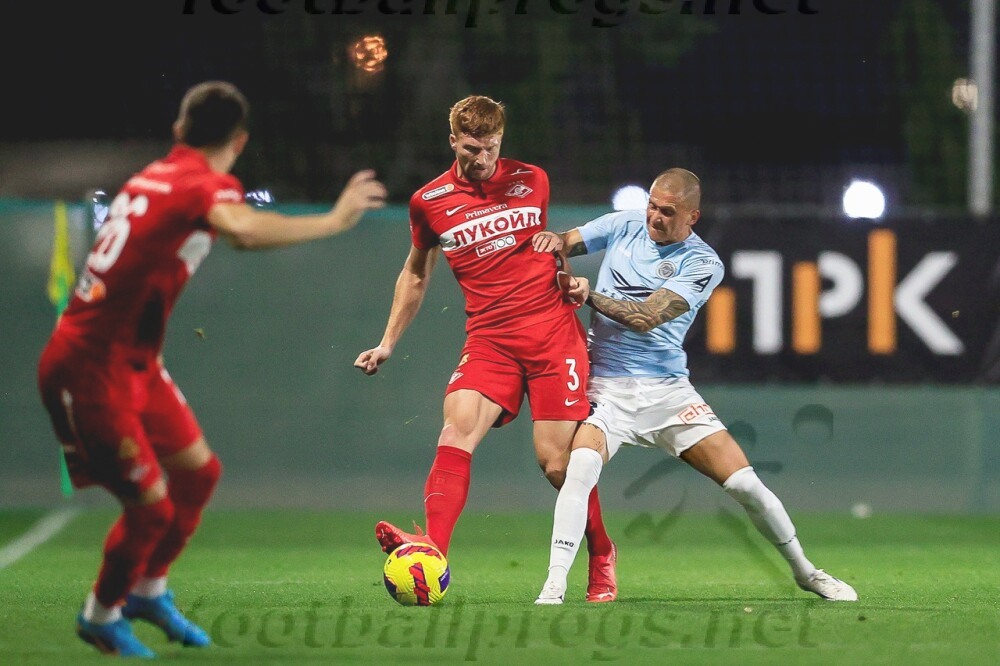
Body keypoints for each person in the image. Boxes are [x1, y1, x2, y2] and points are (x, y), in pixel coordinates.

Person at [37, 81, 387, 657]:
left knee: (199, 475)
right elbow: (242, 230)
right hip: (90, 367)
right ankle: (100, 616)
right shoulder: (201, 183)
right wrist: (332, 220)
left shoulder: (154, 174)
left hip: (134, 362)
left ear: (179, 129)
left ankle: (148, 592)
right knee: (151, 509)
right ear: (240, 141)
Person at [532, 168, 858, 604]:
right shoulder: (624, 223)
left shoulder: (703, 263)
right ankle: (554, 584)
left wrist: (587, 294)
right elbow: (566, 241)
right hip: (607, 388)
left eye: (668, 212)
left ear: (692, 216)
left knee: (745, 485)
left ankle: (806, 572)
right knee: (580, 468)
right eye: (652, 206)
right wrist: (551, 241)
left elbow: (646, 318)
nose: (655, 217)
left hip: (668, 394)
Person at [354, 95, 617, 602]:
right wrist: (387, 342)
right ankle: (432, 550)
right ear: (453, 140)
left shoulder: (532, 180)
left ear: (501, 139)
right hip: (490, 338)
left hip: (551, 335)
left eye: (491, 147)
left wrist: (567, 279)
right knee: (455, 430)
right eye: (472, 148)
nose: (482, 158)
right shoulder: (429, 201)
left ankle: (602, 552)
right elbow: (415, 272)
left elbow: (545, 251)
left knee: (557, 464)